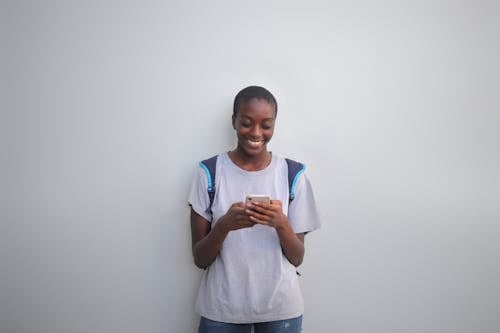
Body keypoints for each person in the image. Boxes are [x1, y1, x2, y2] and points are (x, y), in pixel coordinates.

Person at [188, 86, 321, 333]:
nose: (256, 132)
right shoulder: (208, 172)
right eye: (247, 123)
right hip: (222, 309)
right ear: (234, 121)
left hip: (281, 310)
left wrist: (281, 223)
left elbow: (297, 257)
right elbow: (199, 258)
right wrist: (225, 225)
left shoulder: (294, 175)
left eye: (266, 125)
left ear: (274, 125)